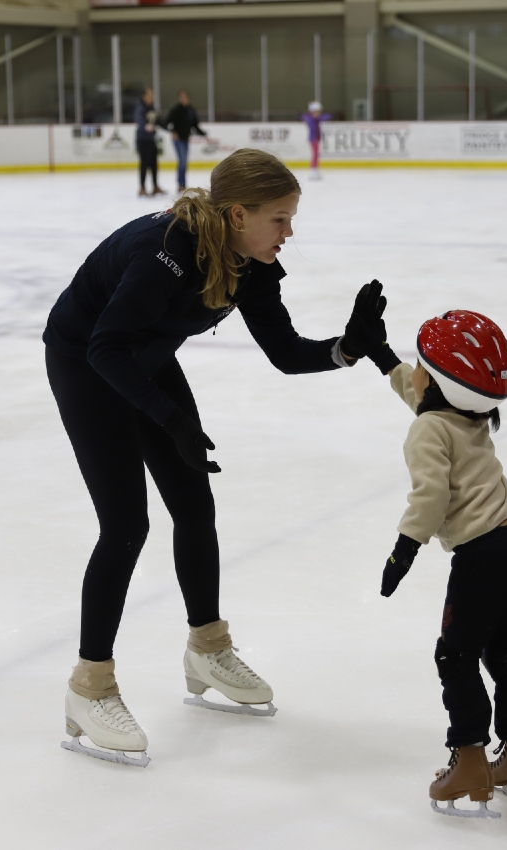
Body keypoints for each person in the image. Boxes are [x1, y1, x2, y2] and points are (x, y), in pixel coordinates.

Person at [43, 149, 392, 765]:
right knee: (126, 526)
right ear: (238, 213)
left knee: (194, 506)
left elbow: (284, 352)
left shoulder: (250, 262)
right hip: (85, 361)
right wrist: (171, 418)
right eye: (280, 219)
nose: (289, 232)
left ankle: (207, 647)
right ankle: (88, 685)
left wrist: (349, 347)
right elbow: (104, 348)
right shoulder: (167, 254)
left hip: (143, 358)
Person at [374, 311, 507, 819]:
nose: (415, 373)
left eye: (420, 365)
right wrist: (380, 355)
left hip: (483, 557)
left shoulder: (429, 429)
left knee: (455, 656)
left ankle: (469, 759)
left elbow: (429, 498)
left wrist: (402, 551)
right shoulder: (467, 418)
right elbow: (422, 392)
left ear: (437, 380)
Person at [163, 89, 206, 194]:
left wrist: (203, 134)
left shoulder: (191, 110)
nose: (184, 99)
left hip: (186, 139)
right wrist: (173, 132)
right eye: (182, 97)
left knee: (184, 162)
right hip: (178, 140)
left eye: (185, 97)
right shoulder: (176, 110)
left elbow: (195, 125)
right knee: (182, 161)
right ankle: (181, 184)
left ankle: (182, 184)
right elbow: (166, 123)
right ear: (179, 98)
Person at [135, 88, 164, 197]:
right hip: (142, 139)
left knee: (154, 163)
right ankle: (142, 187)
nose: (152, 97)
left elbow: (159, 121)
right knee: (144, 163)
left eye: (153, 95)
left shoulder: (152, 108)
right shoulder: (140, 108)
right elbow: (139, 119)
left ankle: (155, 186)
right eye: (150, 95)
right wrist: (145, 126)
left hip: (151, 139)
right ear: (144, 96)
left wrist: (170, 128)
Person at [300, 101, 331, 178]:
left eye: (319, 112)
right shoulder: (310, 119)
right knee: (315, 154)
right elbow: (303, 116)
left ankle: (315, 169)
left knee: (316, 154)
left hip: (317, 138)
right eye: (316, 112)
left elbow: (328, 116)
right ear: (312, 112)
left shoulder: (318, 119)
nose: (318, 113)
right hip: (313, 138)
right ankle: (313, 170)